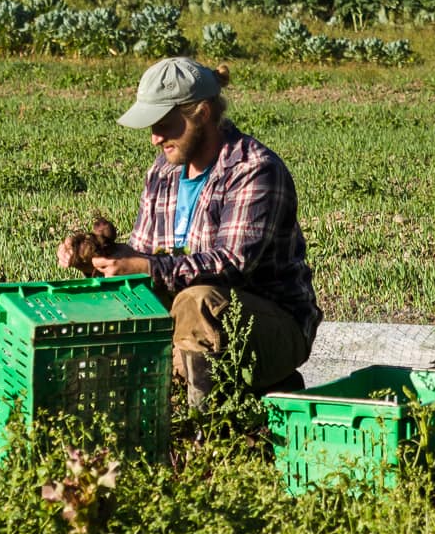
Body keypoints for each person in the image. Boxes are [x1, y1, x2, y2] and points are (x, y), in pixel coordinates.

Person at [59, 57, 321, 401]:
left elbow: (232, 264)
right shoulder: (163, 172)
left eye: (164, 124)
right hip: (195, 321)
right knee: (128, 300)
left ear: (202, 113)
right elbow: (146, 254)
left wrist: (149, 268)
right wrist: (104, 258)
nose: (155, 138)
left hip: (272, 323)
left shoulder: (253, 170)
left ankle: (201, 427)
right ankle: (157, 404)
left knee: (196, 302)